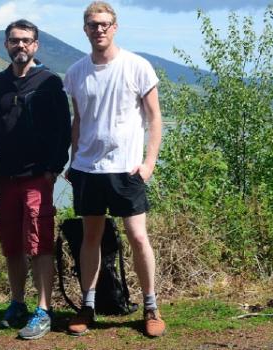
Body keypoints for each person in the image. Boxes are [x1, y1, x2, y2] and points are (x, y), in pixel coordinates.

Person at [63, 1, 165, 338]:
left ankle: (151, 306)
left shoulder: (137, 66)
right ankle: (88, 306)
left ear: (115, 27)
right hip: (88, 169)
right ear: (85, 29)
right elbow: (79, 120)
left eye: (105, 24)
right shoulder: (76, 72)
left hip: (127, 170)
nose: (99, 29)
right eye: (93, 24)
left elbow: (154, 119)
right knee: (90, 238)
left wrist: (148, 163)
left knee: (137, 236)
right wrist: (73, 160)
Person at [0, 19, 71, 340]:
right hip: (4, 178)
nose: (20, 46)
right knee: (11, 246)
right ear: (6, 44)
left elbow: (64, 128)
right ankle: (18, 302)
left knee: (40, 244)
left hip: (37, 176)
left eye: (26, 41)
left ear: (36, 45)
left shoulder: (49, 81)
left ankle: (44, 309)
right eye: (14, 40)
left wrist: (53, 168)